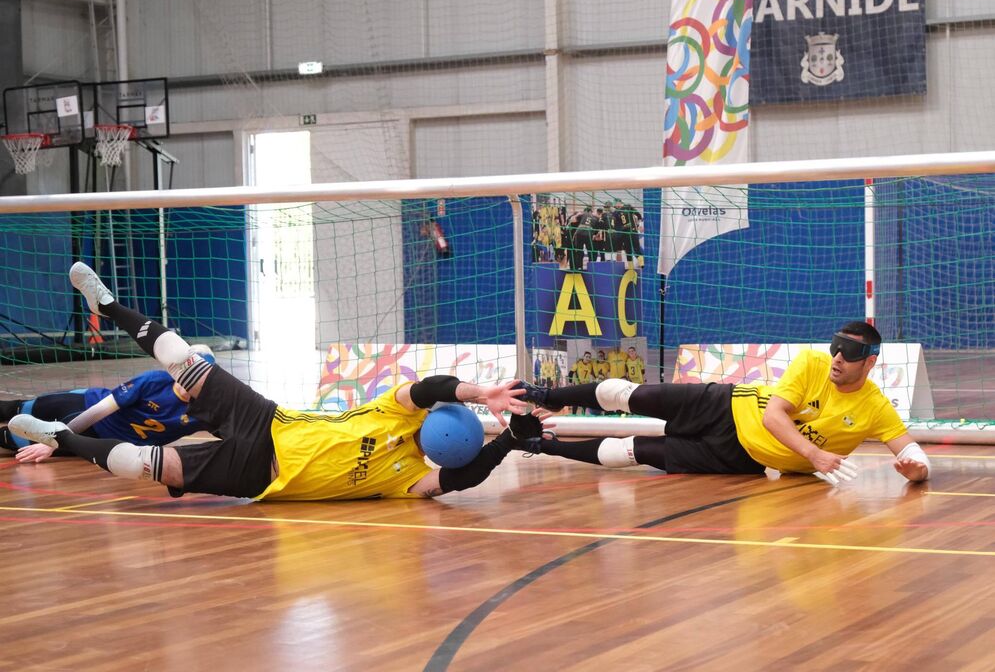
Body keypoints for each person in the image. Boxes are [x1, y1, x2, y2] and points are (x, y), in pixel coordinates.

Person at [10, 262, 549, 501]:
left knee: (141, 466)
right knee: (182, 360)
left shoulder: (406, 480)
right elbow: (430, 386)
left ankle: (61, 439)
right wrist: (483, 394)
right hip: (268, 420)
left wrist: (504, 440)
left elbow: (460, 482)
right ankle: (108, 304)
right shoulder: (401, 410)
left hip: (258, 476)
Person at [510, 322, 931, 486]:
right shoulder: (812, 362)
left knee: (632, 451)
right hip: (725, 405)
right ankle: (547, 396)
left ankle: (538, 444)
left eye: (850, 353)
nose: (838, 358)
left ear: (870, 362)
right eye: (836, 347)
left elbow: (911, 453)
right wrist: (813, 453)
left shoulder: (876, 407)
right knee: (633, 396)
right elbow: (773, 415)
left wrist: (916, 470)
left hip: (739, 458)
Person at [1, 346, 216, 461]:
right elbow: (99, 410)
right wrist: (52, 440)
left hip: (97, 439)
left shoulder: (208, 409)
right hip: (84, 406)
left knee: (11, 439)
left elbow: (239, 432)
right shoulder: (155, 381)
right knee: (17, 409)